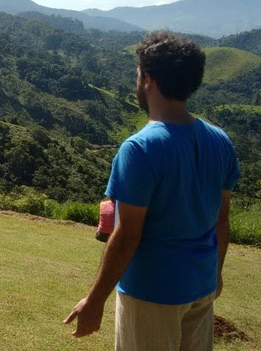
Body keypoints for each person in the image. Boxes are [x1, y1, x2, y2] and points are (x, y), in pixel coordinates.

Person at [64, 31, 239, 350]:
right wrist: (216, 275)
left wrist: (95, 299)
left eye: (137, 74)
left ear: (148, 79)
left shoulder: (140, 148)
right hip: (201, 287)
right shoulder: (221, 141)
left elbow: (128, 234)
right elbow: (222, 221)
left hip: (152, 293)